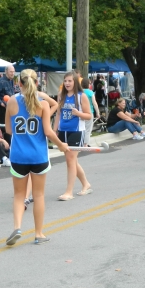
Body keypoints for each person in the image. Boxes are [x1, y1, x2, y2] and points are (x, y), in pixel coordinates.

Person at [4, 69, 69, 246]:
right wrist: (61, 145)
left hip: (18, 156)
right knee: (39, 195)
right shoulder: (43, 105)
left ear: (19, 83)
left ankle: (17, 227)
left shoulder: (11, 102)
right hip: (38, 155)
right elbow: (48, 131)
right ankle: (38, 233)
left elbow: (9, 130)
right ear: (37, 83)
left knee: (19, 195)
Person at [54, 71, 93, 201]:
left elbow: (89, 115)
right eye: (65, 81)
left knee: (70, 161)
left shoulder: (81, 96)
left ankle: (69, 192)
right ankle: (86, 184)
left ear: (75, 82)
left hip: (76, 131)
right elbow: (58, 114)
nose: (67, 83)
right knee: (72, 161)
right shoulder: (61, 95)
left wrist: (78, 113)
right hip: (63, 131)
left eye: (70, 81)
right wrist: (54, 130)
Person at [81, 78, 100, 146]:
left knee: (81, 128)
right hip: (89, 112)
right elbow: (94, 103)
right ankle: (85, 144)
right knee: (88, 129)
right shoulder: (90, 92)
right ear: (88, 84)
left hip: (80, 113)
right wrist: (97, 112)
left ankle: (80, 141)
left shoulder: (79, 92)